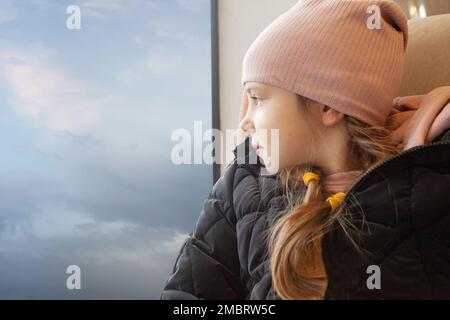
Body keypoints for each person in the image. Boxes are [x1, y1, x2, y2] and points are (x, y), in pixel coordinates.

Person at [161, 0, 450, 299]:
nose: (244, 122)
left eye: (257, 98)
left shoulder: (434, 185)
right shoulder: (244, 178)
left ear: (327, 105)